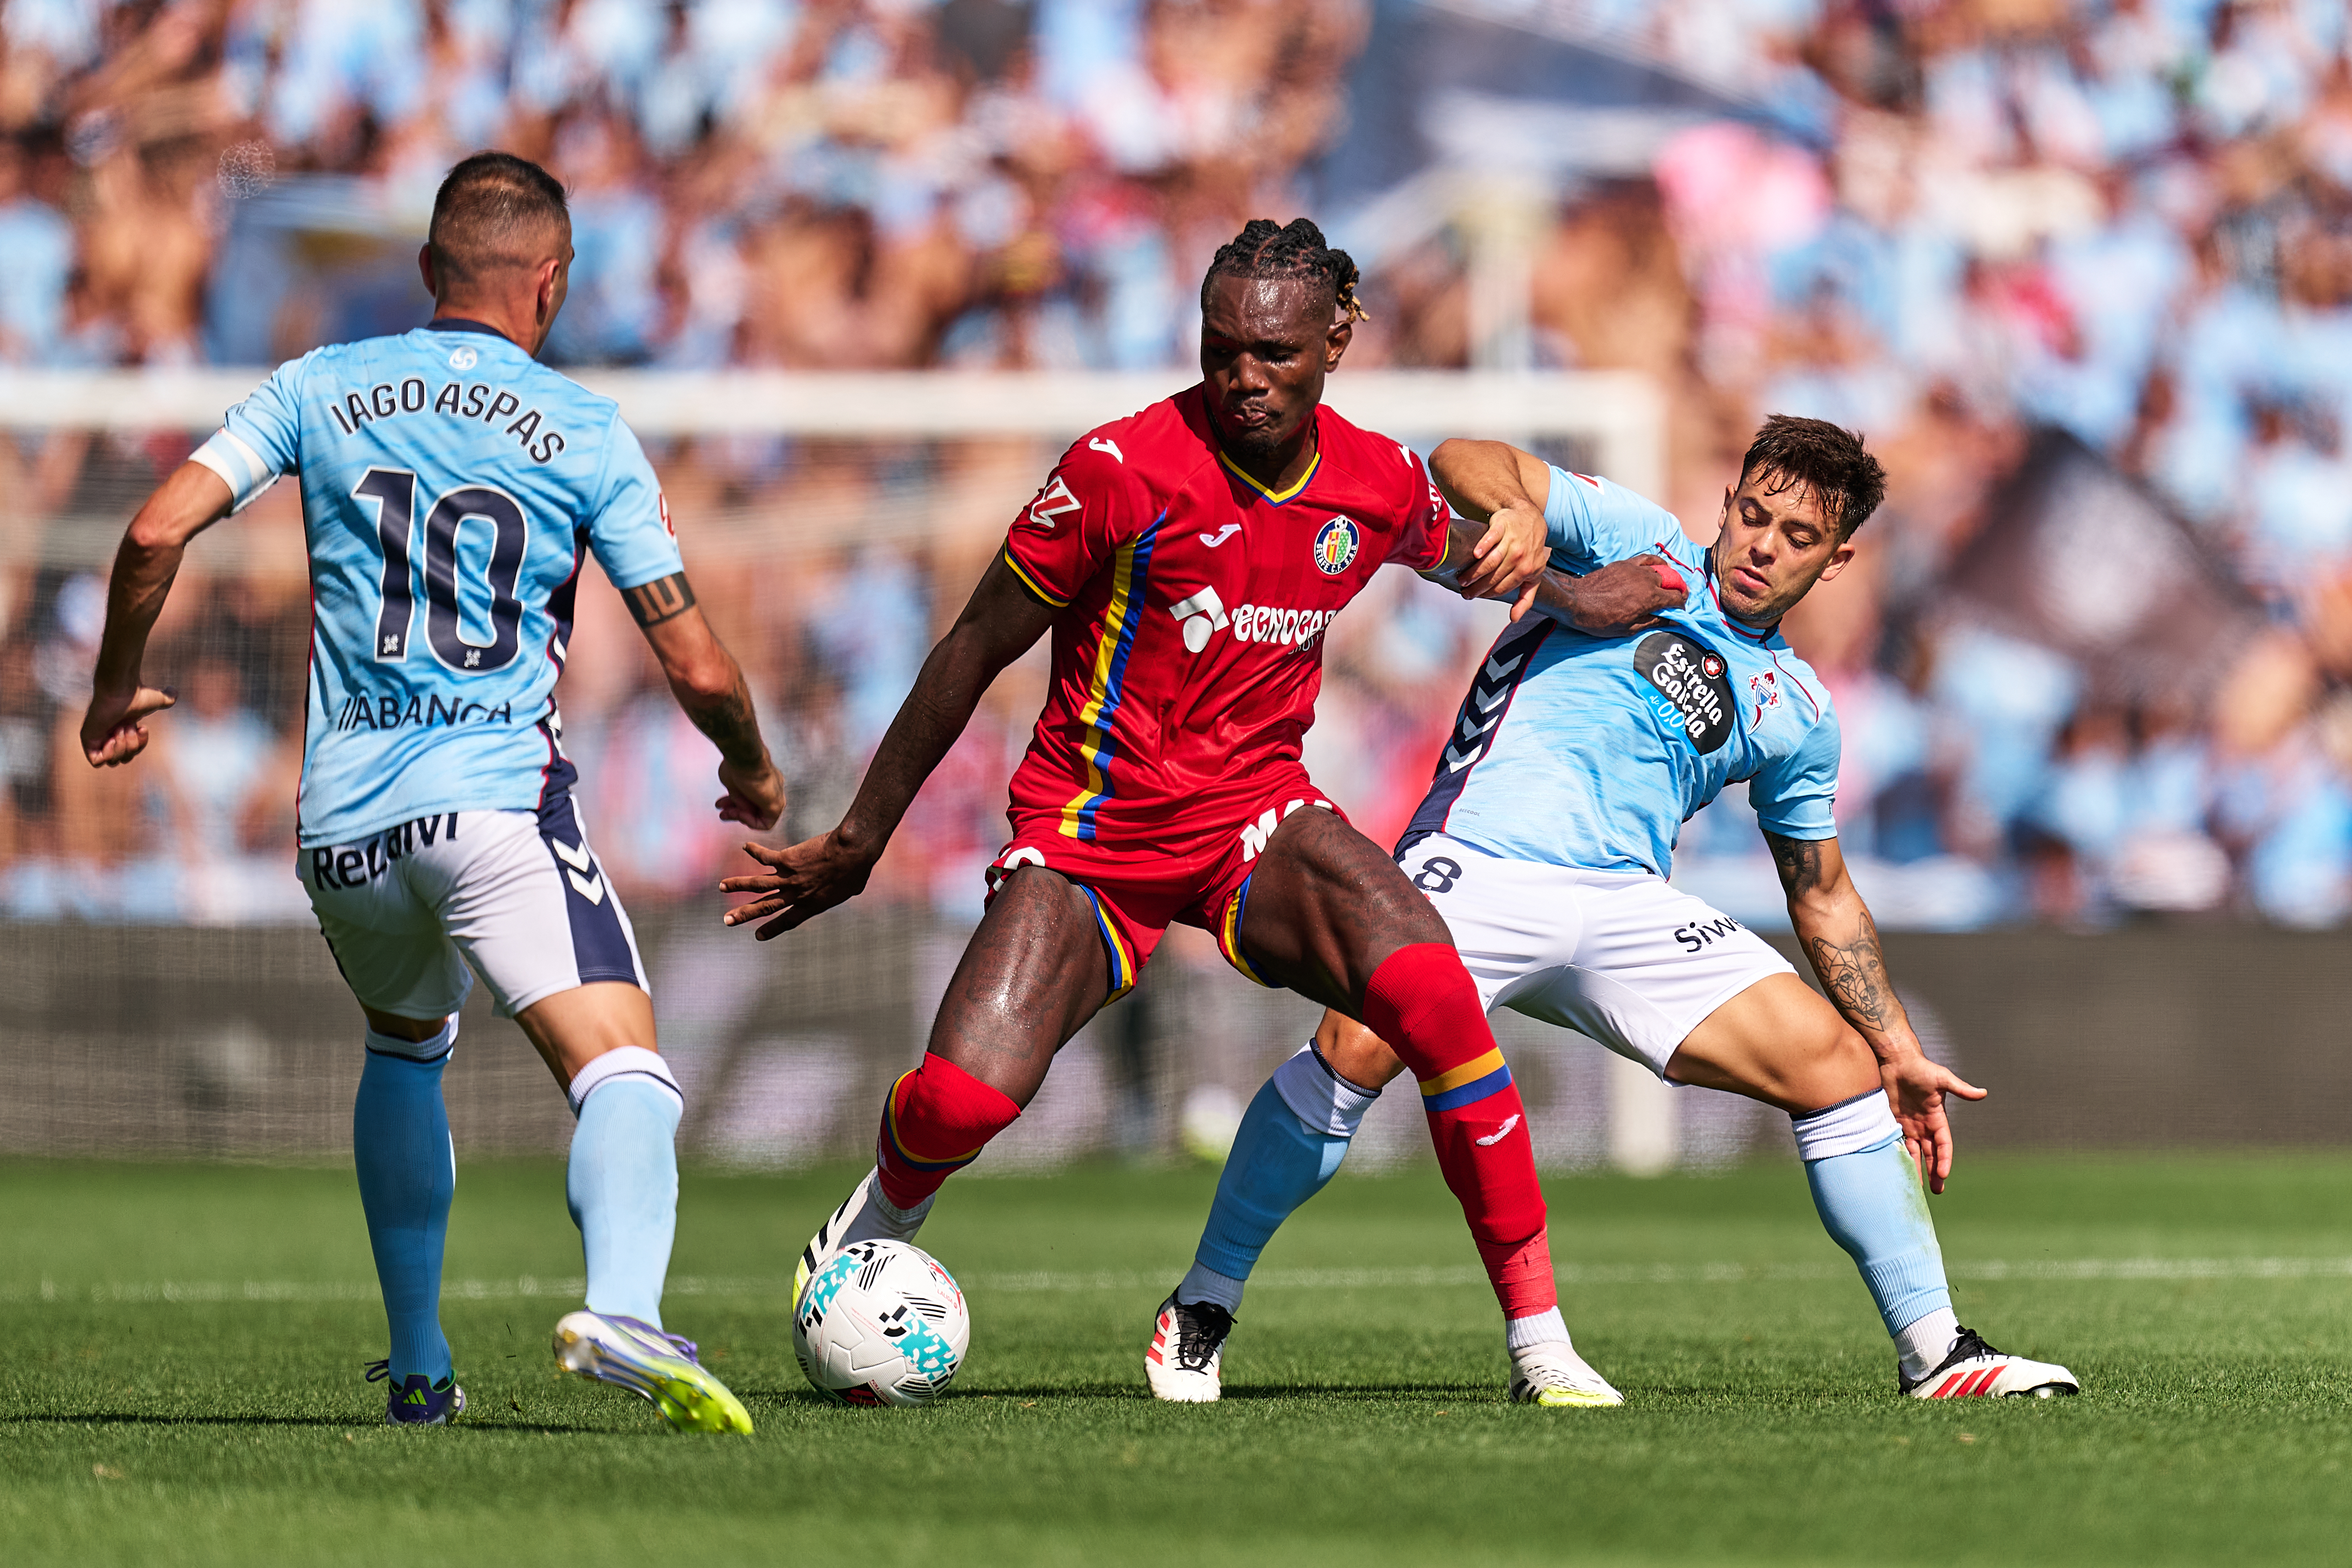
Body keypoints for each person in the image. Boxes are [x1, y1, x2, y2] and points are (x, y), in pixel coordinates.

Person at [720, 218, 1683, 1404]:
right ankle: (886, 1206)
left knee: (1434, 990)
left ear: (1336, 340)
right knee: (965, 1101)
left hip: (1254, 821)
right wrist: (864, 838)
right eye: (1222, 347)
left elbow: (1458, 554)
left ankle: (1542, 1346)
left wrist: (1584, 597)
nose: (1242, 376)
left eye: (1273, 355)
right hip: (1095, 832)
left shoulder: (1374, 479)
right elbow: (972, 647)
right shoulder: (1118, 471)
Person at [1148, 418, 2083, 1404]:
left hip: (1623, 903)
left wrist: (1893, 1041)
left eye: (1797, 538)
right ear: (1728, 504)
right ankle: (1202, 1306)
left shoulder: (1798, 708)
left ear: (1838, 558)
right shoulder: (1642, 542)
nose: (1762, 546)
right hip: (1477, 860)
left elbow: (1820, 890)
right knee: (1356, 1047)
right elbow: (1464, 461)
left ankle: (1938, 1354)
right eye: (1754, 517)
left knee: (1835, 1067)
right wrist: (1516, 510)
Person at [79, 152, 783, 1433]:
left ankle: (417, 1364)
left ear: (425, 275)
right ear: (552, 284)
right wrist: (749, 761)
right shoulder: (582, 426)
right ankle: (624, 1308)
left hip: (341, 828)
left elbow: (151, 532)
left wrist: (114, 687)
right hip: (491, 805)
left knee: (406, 1048)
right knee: (625, 1071)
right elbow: (693, 658)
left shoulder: (319, 385)